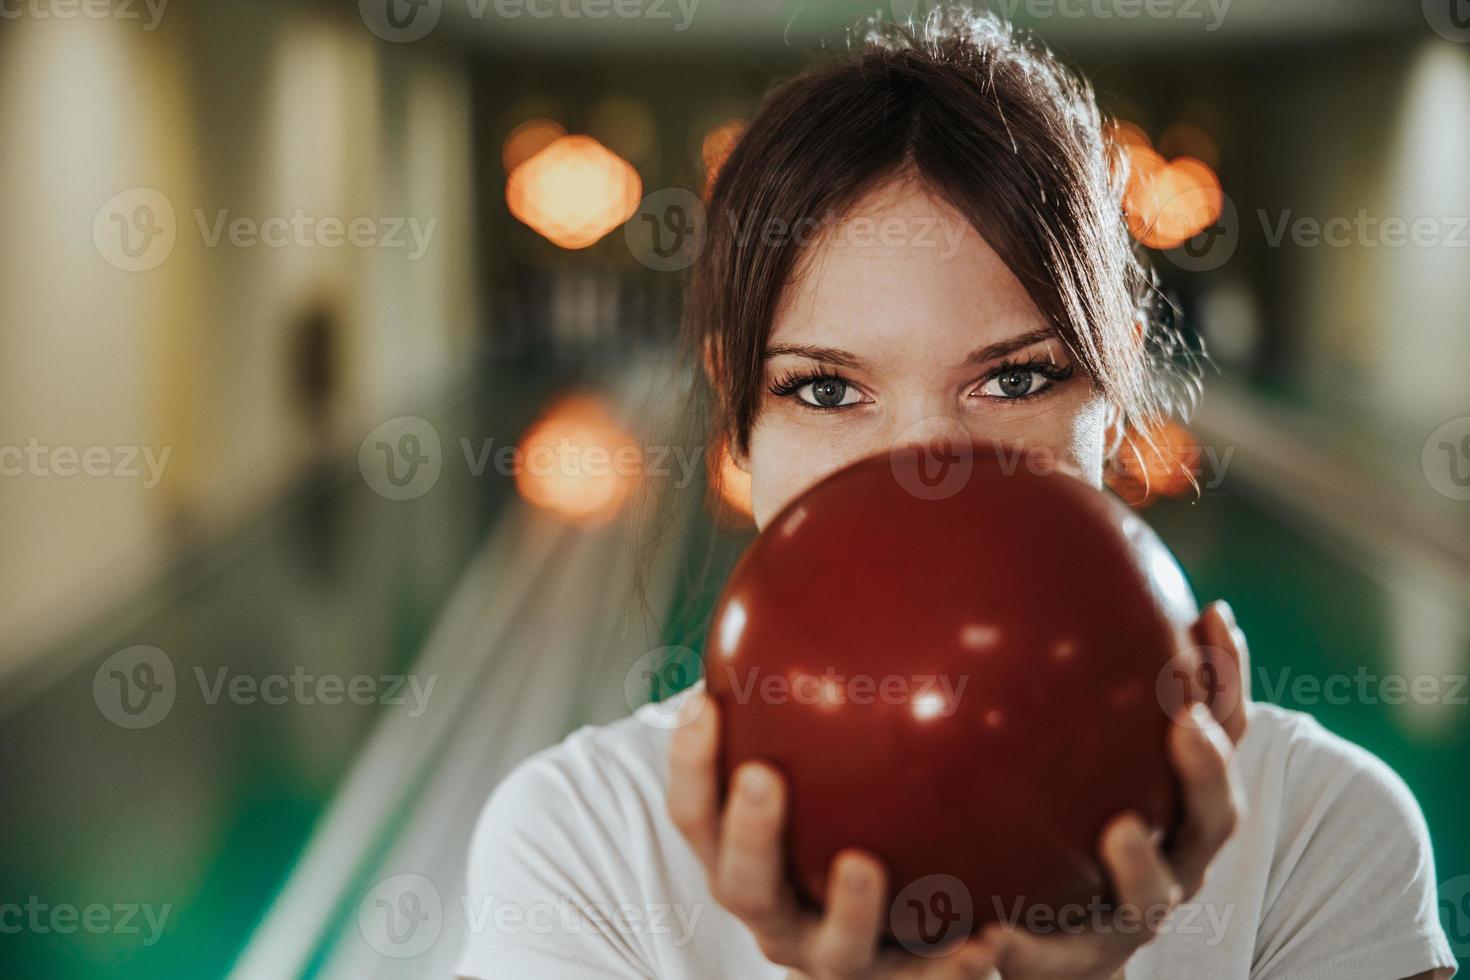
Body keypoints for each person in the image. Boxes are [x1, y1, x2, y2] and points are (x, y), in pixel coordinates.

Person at [456, 11, 1457, 978]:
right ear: (741, 435)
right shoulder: (576, 843)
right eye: (827, 387)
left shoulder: (1324, 829)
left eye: (1016, 377)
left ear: (1115, 415)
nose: (927, 466)